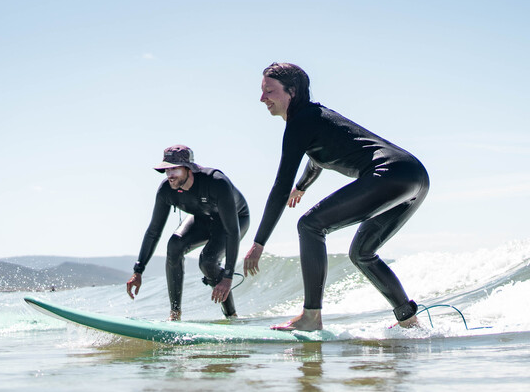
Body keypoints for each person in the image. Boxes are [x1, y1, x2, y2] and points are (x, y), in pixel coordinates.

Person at [244, 63, 430, 331]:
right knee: (362, 253)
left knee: (310, 225)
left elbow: (279, 186)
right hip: (414, 177)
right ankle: (408, 320)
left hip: (390, 174)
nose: (262, 98)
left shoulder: (300, 122)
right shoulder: (315, 117)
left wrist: (259, 242)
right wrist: (303, 186)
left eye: (269, 91)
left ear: (291, 92)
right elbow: (316, 160)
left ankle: (311, 316)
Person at [127, 145, 250, 320]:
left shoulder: (216, 182)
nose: (170, 175)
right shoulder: (166, 191)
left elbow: (232, 231)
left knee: (208, 261)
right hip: (202, 217)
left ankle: (232, 316)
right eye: (167, 169)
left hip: (235, 220)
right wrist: (138, 270)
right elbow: (153, 231)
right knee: (174, 244)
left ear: (188, 168)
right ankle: (175, 314)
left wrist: (228, 277)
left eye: (175, 169)